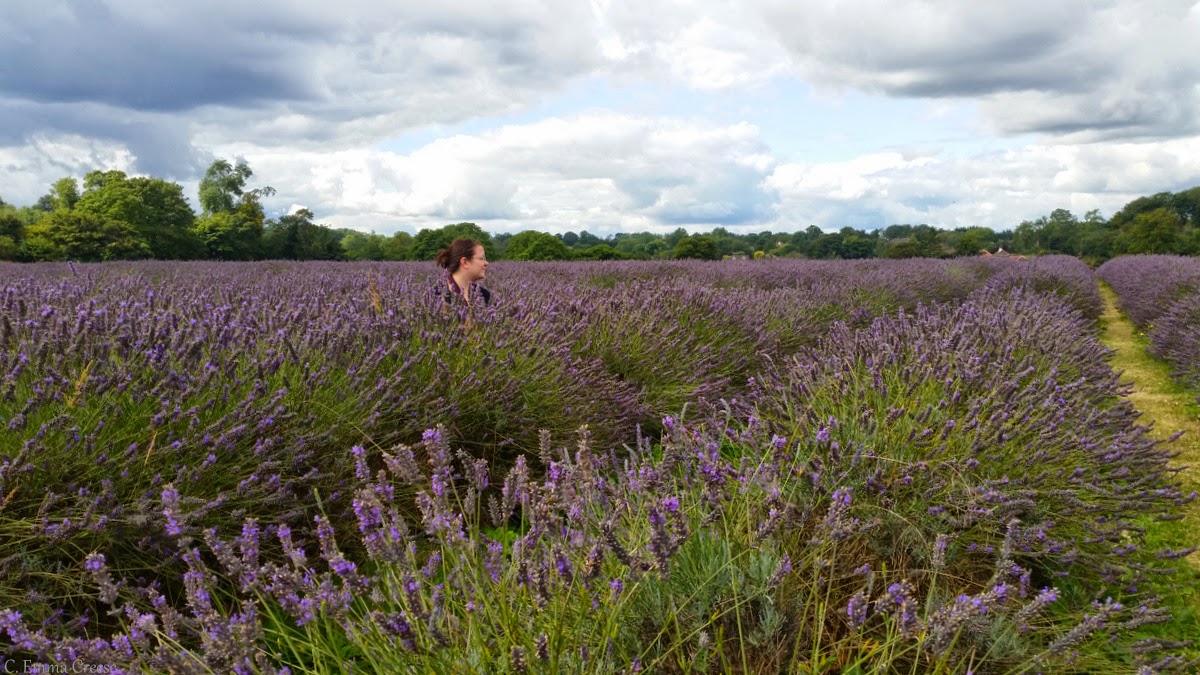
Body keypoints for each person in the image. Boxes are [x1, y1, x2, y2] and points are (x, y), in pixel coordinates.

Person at [435, 238, 492, 311]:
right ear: (465, 262)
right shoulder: (436, 295)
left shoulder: (483, 294)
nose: (486, 263)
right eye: (481, 258)